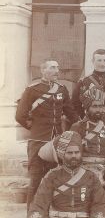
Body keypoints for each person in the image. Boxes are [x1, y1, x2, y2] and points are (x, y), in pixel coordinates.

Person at [15, 59, 79, 209]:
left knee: (56, 179)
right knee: (36, 180)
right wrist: (34, 128)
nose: (57, 70)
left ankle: (51, 214)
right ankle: (32, 217)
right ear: (43, 71)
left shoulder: (62, 89)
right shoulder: (32, 90)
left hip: (57, 143)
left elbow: (70, 112)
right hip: (38, 141)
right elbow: (20, 115)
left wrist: (81, 124)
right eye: (52, 68)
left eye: (57, 67)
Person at [70, 94, 105, 188]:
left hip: (104, 169)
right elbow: (69, 151)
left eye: (100, 106)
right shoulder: (77, 127)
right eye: (94, 106)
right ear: (87, 108)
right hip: (82, 168)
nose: (98, 109)